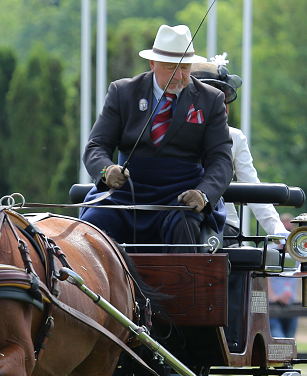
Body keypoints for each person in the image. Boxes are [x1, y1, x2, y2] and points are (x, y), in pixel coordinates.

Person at [81, 24, 233, 252]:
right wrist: (107, 171)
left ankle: (182, 288)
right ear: (152, 64)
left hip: (180, 198)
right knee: (93, 222)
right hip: (125, 194)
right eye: (171, 68)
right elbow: (96, 147)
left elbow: (221, 160)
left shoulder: (211, 100)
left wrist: (203, 194)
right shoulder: (123, 92)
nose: (179, 76)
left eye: (185, 68)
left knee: (186, 225)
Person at [188, 56, 287, 241]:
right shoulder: (170, 132)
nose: (223, 109)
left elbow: (252, 186)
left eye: (224, 102)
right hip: (176, 216)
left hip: (222, 224)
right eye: (215, 101)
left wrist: (277, 230)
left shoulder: (235, 137)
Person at [268, 213, 307, 339]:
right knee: (278, 338)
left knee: (290, 340)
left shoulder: (297, 252)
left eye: (288, 231)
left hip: (291, 303)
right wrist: (273, 297)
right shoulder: (270, 251)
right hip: (272, 305)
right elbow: (265, 277)